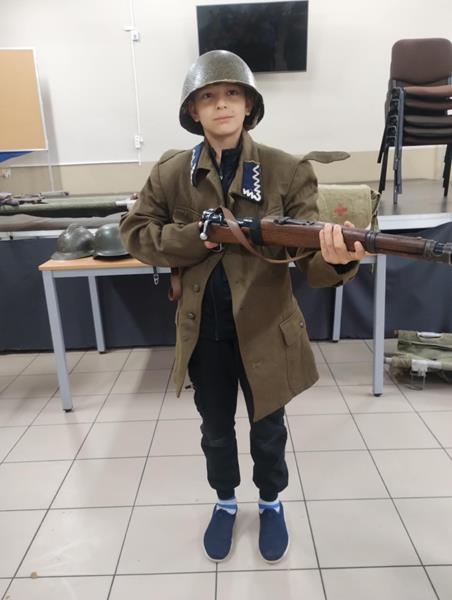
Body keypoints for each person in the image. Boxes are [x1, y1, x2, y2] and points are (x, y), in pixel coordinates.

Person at [119, 50, 365, 564]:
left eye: (232, 94)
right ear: (193, 111)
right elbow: (136, 233)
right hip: (203, 329)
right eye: (208, 96)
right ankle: (226, 502)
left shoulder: (285, 170)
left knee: (268, 428)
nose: (221, 104)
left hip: (266, 329)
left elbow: (311, 262)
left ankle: (271, 502)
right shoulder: (172, 172)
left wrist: (338, 260)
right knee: (214, 428)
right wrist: (198, 236)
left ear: (250, 104)